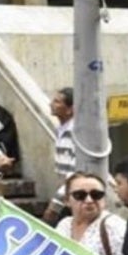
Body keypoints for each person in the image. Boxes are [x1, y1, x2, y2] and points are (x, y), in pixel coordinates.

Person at [42, 87, 77, 225]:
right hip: (66, 194)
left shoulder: (75, 132)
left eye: (57, 102)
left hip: (72, 194)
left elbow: (74, 171)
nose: (51, 104)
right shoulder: (61, 130)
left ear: (70, 109)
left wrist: (56, 203)